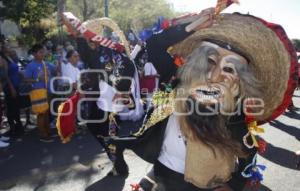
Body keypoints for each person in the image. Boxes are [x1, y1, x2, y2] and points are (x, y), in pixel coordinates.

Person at [110, 8, 297, 191]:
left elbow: (248, 151)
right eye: (211, 61)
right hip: (164, 175)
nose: (215, 76)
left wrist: (234, 185)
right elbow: (154, 46)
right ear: (197, 61)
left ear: (240, 79)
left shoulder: (233, 109)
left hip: (206, 184)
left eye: (229, 69)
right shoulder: (178, 80)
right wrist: (189, 28)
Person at [24, 44, 57, 142]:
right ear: (34, 54)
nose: (43, 54)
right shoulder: (31, 65)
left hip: (47, 91)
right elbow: (26, 80)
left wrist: (57, 65)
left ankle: (47, 132)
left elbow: (55, 70)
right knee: (41, 113)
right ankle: (42, 135)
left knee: (46, 112)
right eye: (40, 52)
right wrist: (38, 79)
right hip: (37, 92)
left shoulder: (45, 63)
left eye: (43, 51)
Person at [0, 43, 24, 138]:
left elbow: (16, 71)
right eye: (7, 46)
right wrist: (12, 88)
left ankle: (18, 126)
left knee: (16, 107)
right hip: (10, 87)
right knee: (10, 108)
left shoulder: (10, 57)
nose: (9, 47)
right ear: (3, 49)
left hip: (15, 85)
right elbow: (6, 76)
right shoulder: (3, 60)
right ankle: (12, 129)